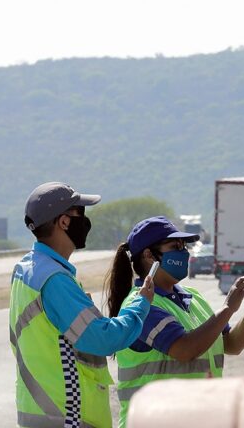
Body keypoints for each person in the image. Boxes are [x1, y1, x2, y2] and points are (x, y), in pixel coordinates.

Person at [9, 182, 154, 428]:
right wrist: (140, 304)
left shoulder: (26, 269)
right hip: (69, 416)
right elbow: (103, 339)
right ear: (64, 222)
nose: (85, 221)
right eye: (80, 213)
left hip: (39, 411)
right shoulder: (54, 280)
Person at [105, 216, 244, 428]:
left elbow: (232, 344)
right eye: (175, 246)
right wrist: (228, 307)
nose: (183, 252)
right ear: (148, 255)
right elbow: (184, 349)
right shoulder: (142, 304)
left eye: (184, 245)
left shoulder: (193, 297)